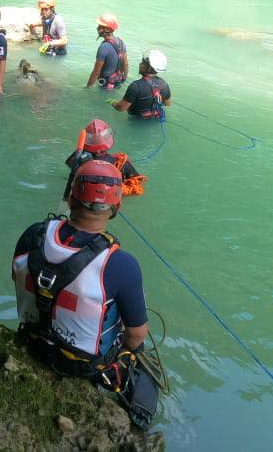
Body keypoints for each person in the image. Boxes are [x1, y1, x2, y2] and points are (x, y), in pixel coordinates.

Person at [12, 159, 160, 428]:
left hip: (32, 340)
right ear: (117, 207)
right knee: (137, 340)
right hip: (82, 367)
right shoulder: (121, 264)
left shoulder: (33, 233)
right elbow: (136, 334)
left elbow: (17, 277)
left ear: (70, 198)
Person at [63, 119, 146, 197]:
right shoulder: (121, 163)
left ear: (85, 141)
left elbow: (70, 167)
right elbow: (138, 184)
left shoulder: (77, 159)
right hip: (112, 197)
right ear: (108, 141)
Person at [111, 50, 171, 120]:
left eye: (143, 62)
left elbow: (121, 108)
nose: (140, 64)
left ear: (148, 67)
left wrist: (113, 103)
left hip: (136, 120)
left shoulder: (135, 86)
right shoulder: (164, 84)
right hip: (156, 119)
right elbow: (167, 104)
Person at [85, 14, 128, 91]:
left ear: (107, 29)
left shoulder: (104, 47)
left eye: (99, 27)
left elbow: (96, 72)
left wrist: (87, 87)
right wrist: (124, 79)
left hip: (105, 84)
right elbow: (125, 65)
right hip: (117, 81)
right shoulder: (121, 42)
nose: (97, 28)